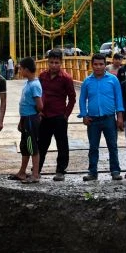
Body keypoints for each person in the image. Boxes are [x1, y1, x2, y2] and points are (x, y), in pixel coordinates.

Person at [79, 53, 124, 181]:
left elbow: (118, 98)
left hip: (109, 118)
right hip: (93, 120)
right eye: (95, 64)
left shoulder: (113, 80)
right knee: (93, 147)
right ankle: (92, 172)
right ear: (91, 65)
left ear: (105, 65)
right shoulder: (87, 81)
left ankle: (115, 171)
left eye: (101, 64)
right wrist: (84, 115)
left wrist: (119, 116)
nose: (98, 67)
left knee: (112, 146)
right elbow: (82, 99)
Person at [37, 49, 76, 182]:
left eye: (57, 63)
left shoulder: (66, 78)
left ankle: (60, 171)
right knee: (41, 144)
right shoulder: (42, 76)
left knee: (62, 144)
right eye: (52, 62)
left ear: (61, 63)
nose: (54, 65)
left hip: (59, 116)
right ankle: (37, 169)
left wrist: (66, 115)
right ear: (48, 62)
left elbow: (72, 98)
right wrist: (38, 110)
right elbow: (37, 94)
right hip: (44, 115)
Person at [12, 57, 43, 183]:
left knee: (32, 146)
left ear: (26, 69)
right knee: (24, 146)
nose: (19, 70)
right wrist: (21, 120)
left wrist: (33, 114)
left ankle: (35, 174)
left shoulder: (34, 85)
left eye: (20, 68)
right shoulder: (28, 83)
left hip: (31, 119)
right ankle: (22, 172)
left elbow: (40, 106)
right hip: (26, 119)